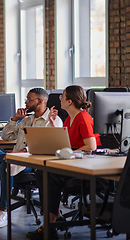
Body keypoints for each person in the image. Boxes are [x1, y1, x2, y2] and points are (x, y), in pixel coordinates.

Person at [0, 88, 63, 228]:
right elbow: (5, 136)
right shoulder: (26, 120)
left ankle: (3, 211)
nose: (26, 102)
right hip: (15, 159)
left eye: (29, 99)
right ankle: (6, 157)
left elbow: (48, 146)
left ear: (40, 101)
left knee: (6, 164)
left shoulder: (53, 121)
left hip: (33, 163)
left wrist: (23, 152)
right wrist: (14, 119)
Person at [26, 85, 100, 240]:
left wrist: (70, 153)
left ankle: (49, 226)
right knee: (41, 172)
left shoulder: (83, 118)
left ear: (70, 101)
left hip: (83, 167)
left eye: (62, 96)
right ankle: (56, 216)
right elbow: (66, 143)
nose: (60, 99)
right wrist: (54, 125)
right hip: (71, 164)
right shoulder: (68, 119)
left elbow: (91, 146)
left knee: (51, 176)